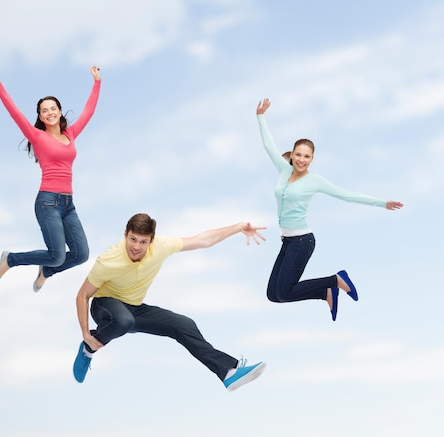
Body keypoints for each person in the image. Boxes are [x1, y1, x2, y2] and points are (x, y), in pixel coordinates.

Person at [74, 213, 268, 392]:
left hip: (135, 308)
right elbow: (82, 296)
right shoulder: (108, 260)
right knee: (123, 320)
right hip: (105, 305)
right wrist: (85, 333)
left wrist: (239, 227)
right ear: (125, 234)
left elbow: (203, 240)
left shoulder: (161, 246)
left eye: (143, 242)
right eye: (132, 239)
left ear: (151, 241)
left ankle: (228, 372)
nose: (136, 247)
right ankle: (88, 348)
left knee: (184, 325)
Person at [256, 98, 403, 320]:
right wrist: (260, 117)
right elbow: (269, 146)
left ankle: (335, 280)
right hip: (287, 242)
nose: (301, 160)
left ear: (312, 159)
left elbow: (346, 195)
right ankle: (325, 292)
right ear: (292, 155)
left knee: (284, 291)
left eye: (306, 156)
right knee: (273, 295)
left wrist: (382, 203)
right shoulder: (283, 171)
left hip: (302, 242)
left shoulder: (315, 181)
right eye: (298, 155)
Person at [0, 65, 101, 292]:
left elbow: (89, 112)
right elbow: (14, 113)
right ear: (40, 116)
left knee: (81, 254)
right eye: (44, 110)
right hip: (48, 202)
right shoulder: (37, 136)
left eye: (53, 108)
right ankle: (11, 259)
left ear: (59, 111)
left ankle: (45, 271)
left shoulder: (70, 135)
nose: (49, 112)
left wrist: (97, 82)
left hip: (68, 204)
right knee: (56, 255)